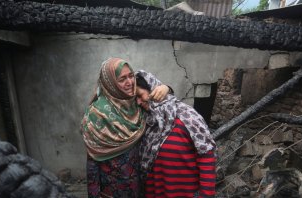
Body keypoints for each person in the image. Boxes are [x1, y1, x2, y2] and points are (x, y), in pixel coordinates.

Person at [81, 58, 170, 197]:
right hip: (112, 190)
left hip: (140, 186)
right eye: (122, 79)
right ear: (109, 83)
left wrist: (167, 88)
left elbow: (165, 104)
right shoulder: (97, 114)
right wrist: (94, 194)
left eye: (130, 76)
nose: (129, 82)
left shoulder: (136, 102)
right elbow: (93, 160)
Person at [136, 72, 217, 198]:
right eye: (134, 99)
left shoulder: (187, 117)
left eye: (140, 95)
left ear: (153, 89)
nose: (138, 102)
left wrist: (205, 195)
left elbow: (206, 155)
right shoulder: (147, 122)